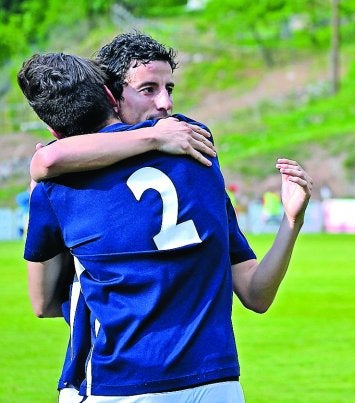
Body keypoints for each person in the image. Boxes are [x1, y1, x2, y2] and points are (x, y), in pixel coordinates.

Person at [20, 52, 311, 401]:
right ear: (112, 95)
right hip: (217, 382)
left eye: (169, 88)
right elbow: (257, 294)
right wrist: (291, 222)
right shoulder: (194, 149)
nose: (165, 105)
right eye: (148, 89)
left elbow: (42, 304)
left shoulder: (59, 183)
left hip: (119, 382)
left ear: (54, 131)